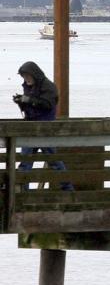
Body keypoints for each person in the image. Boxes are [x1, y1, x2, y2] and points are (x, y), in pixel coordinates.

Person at [13, 61, 70, 189]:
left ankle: (68, 191)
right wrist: (21, 101)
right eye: (23, 76)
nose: (26, 78)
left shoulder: (48, 86)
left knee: (54, 162)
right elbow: (32, 104)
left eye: (27, 76)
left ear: (34, 74)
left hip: (45, 129)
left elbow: (48, 105)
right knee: (25, 163)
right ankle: (22, 194)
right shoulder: (29, 86)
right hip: (30, 129)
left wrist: (29, 100)